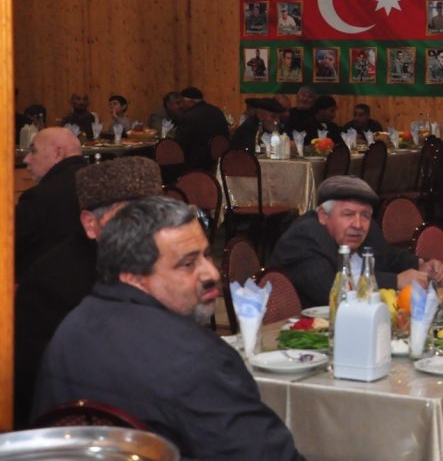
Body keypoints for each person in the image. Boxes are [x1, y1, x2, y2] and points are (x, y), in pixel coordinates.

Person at [32, 196, 303, 460]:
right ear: (132, 276)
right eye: (188, 264)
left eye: (207, 255)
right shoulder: (196, 356)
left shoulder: (70, 329)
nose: (211, 273)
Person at [13, 157, 163, 428]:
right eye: (132, 216)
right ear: (90, 224)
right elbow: (45, 382)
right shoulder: (54, 280)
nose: (149, 228)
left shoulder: (150, 261)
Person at [269, 176, 443, 306]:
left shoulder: (366, 228)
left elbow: (389, 256)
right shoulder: (304, 237)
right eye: (348, 214)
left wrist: (421, 264)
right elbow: (332, 291)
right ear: (323, 215)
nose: (358, 224)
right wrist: (395, 281)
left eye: (365, 215)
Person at [14, 128, 87, 281]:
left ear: (58, 154)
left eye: (33, 151)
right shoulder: (101, 184)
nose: (26, 159)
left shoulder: (39, 197)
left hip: (44, 286)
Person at [175, 87, 230, 170]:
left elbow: (180, 144)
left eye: (182, 102)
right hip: (220, 162)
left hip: (196, 164)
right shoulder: (217, 111)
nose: (180, 106)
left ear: (191, 101)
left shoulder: (189, 117)